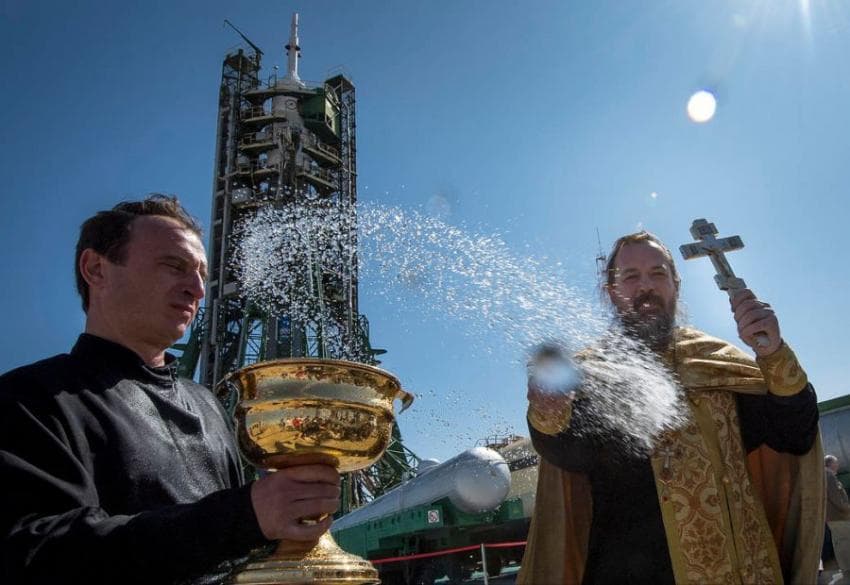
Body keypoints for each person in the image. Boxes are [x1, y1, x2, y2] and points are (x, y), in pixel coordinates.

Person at [0, 195, 341, 584]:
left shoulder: (207, 405)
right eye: (173, 266)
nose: (197, 289)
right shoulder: (31, 399)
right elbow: (39, 554)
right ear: (96, 269)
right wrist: (245, 515)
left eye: (201, 273)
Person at [518, 231, 823, 585]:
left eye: (658, 273)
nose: (646, 286)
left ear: (675, 285)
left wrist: (773, 354)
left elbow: (794, 435)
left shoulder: (716, 360)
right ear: (611, 292)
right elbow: (567, 453)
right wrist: (546, 409)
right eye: (631, 276)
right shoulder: (591, 373)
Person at [825, 454, 850, 570]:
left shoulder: (825, 475)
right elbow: (837, 500)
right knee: (845, 541)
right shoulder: (829, 476)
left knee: (839, 542)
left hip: (832, 517)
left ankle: (845, 566)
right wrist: (847, 508)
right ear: (831, 464)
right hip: (839, 516)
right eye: (836, 462)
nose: (838, 465)